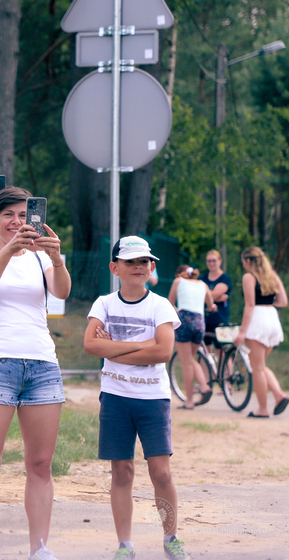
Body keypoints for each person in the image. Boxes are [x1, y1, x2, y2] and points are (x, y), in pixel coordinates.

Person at [0, 187, 70, 560]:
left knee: (40, 464)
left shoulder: (42, 260)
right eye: (8, 215)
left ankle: (39, 547)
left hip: (41, 364)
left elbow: (61, 291)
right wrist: (9, 250)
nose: (17, 222)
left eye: (24, 214)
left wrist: (56, 258)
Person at [84, 236, 190, 560]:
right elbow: (91, 345)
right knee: (122, 472)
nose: (138, 267)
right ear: (115, 267)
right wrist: (143, 346)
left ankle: (171, 537)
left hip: (153, 399)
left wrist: (114, 347)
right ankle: (125, 545)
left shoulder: (161, 306)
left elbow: (163, 351)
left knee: (161, 473)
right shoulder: (103, 303)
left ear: (152, 267)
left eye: (144, 261)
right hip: (115, 397)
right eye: (130, 262)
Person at [234, 246, 288, 418]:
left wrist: (242, 332)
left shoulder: (249, 277)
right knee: (261, 365)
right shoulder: (272, 275)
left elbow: (249, 305)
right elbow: (283, 301)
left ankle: (262, 409)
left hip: (257, 319)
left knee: (256, 368)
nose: (243, 265)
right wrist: (268, 305)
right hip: (272, 318)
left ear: (249, 261)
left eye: (243, 261)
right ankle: (279, 395)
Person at [167, 265, 216, 409]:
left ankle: (192, 398)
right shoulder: (203, 284)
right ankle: (203, 386)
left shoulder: (178, 281)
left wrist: (177, 312)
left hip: (184, 320)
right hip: (200, 322)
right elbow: (210, 304)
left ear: (180, 274)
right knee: (191, 359)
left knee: (187, 362)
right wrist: (210, 307)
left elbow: (170, 302)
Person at [200, 249, 232, 349]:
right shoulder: (202, 278)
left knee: (222, 351)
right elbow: (197, 296)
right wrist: (217, 299)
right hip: (204, 319)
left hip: (220, 319)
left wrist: (206, 296)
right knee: (205, 354)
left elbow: (214, 294)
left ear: (220, 261)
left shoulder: (225, 278)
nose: (211, 263)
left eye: (214, 260)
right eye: (209, 261)